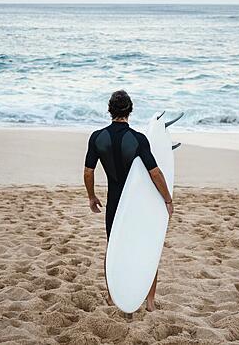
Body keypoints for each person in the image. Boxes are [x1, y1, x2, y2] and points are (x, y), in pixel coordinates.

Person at [84, 90, 173, 312]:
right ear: (130, 110)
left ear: (109, 110)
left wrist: (91, 196)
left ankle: (112, 297)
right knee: (146, 249)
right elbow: (155, 173)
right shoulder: (138, 139)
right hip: (136, 203)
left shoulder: (97, 137)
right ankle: (150, 302)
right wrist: (167, 200)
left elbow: (88, 171)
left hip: (114, 202)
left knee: (113, 249)